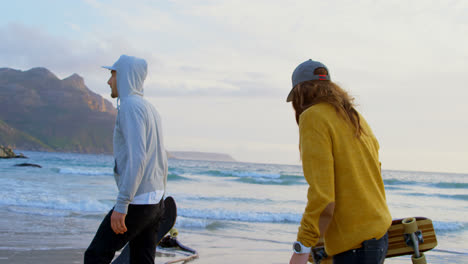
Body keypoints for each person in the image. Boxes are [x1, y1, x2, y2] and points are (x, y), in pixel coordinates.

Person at [287, 59, 392, 264]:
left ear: (300, 93)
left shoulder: (313, 118)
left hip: (354, 248)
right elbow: (373, 173)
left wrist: (302, 248)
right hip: (378, 236)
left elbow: (323, 195)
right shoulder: (355, 117)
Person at [84, 55, 168, 264]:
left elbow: (137, 157)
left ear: (125, 77)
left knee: (96, 255)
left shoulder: (130, 107)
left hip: (137, 202)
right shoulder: (150, 109)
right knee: (142, 260)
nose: (109, 81)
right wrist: (160, 199)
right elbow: (160, 158)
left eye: (113, 74)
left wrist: (122, 205)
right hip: (154, 201)